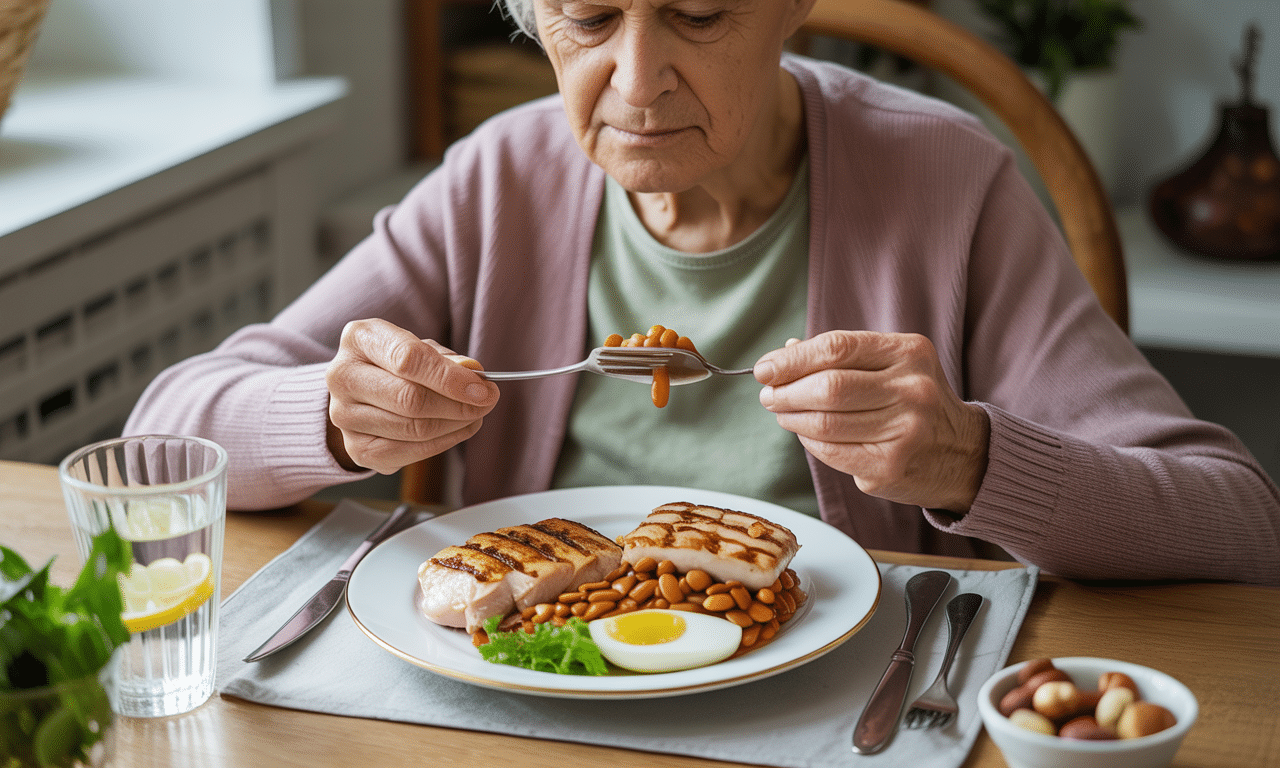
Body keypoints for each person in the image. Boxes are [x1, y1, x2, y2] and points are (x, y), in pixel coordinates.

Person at [123, 0, 1280, 584]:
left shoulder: (946, 182)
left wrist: (972, 460)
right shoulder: (497, 179)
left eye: (697, 13)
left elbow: (1234, 521)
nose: (633, 82)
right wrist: (329, 414)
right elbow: (164, 431)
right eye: (588, 18)